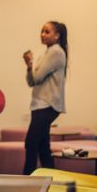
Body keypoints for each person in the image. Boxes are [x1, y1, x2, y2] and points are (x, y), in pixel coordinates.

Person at [22, 21, 68, 175]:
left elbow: (37, 78)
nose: (42, 34)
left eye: (47, 32)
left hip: (47, 105)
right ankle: (50, 179)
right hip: (39, 104)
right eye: (41, 31)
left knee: (31, 142)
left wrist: (32, 67)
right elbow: (31, 81)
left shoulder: (56, 52)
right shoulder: (45, 54)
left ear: (57, 35)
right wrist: (29, 65)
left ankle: (27, 179)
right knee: (42, 145)